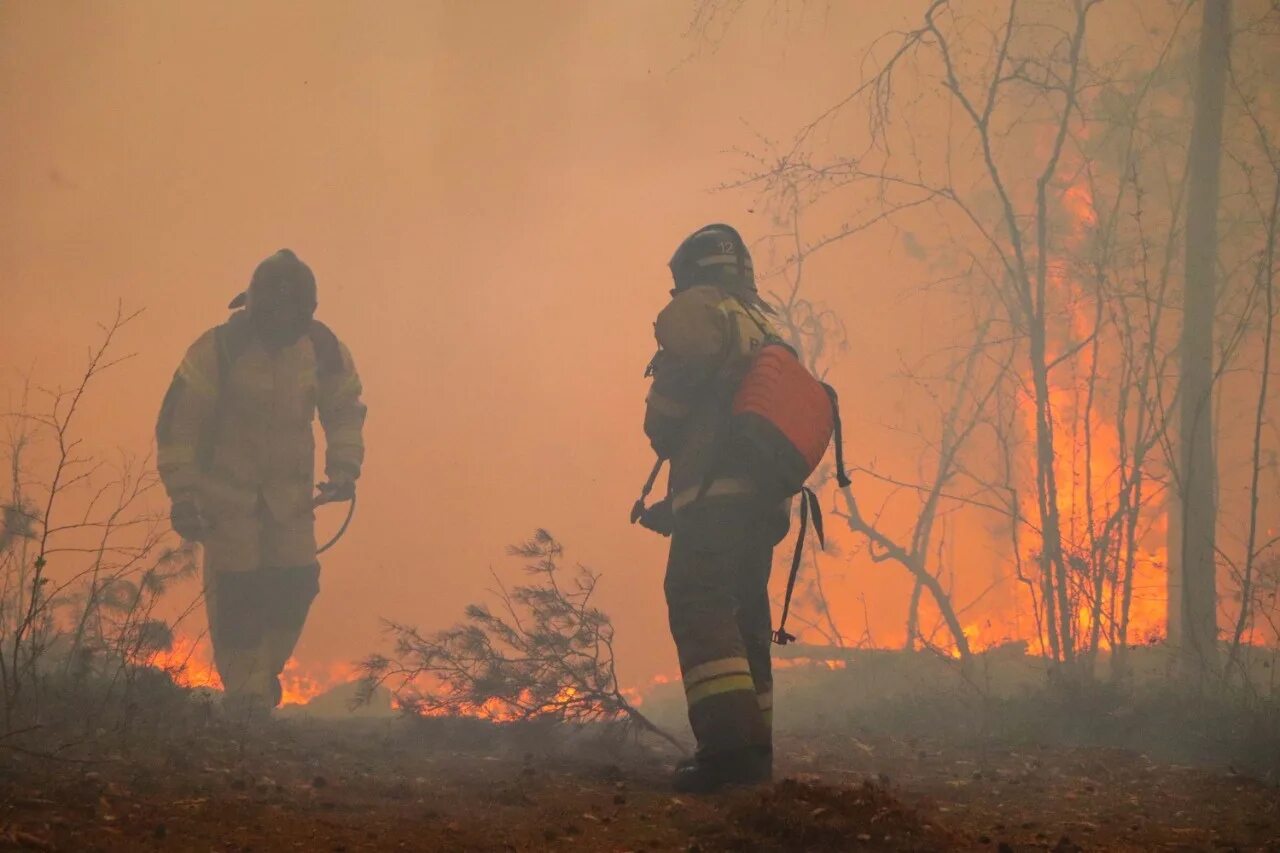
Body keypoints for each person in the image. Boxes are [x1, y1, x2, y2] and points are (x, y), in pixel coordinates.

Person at [155, 249, 366, 713]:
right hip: (225, 501)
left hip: (291, 501)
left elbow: (344, 408)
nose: (285, 320)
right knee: (239, 596)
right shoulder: (218, 350)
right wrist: (184, 493)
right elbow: (179, 427)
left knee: (297, 584)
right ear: (255, 306)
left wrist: (344, 469)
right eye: (277, 309)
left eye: (296, 311)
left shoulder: (322, 348)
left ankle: (259, 679)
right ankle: (247, 699)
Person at [640, 224, 790, 792]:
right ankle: (756, 753)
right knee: (746, 614)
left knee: (698, 599)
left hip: (717, 491)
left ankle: (729, 757)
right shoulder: (761, 321)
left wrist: (660, 421)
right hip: (762, 497)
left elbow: (672, 406)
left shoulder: (700, 309)